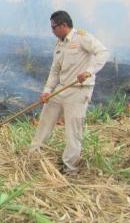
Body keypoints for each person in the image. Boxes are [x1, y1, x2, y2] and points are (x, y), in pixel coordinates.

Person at [29, 11, 111, 175]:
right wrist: (47, 91)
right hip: (62, 88)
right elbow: (55, 71)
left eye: (54, 27)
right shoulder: (59, 45)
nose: (52, 31)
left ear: (63, 25)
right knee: (45, 119)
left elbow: (103, 52)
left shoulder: (82, 37)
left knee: (73, 129)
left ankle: (70, 167)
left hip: (79, 91)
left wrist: (89, 71)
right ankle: (32, 155)